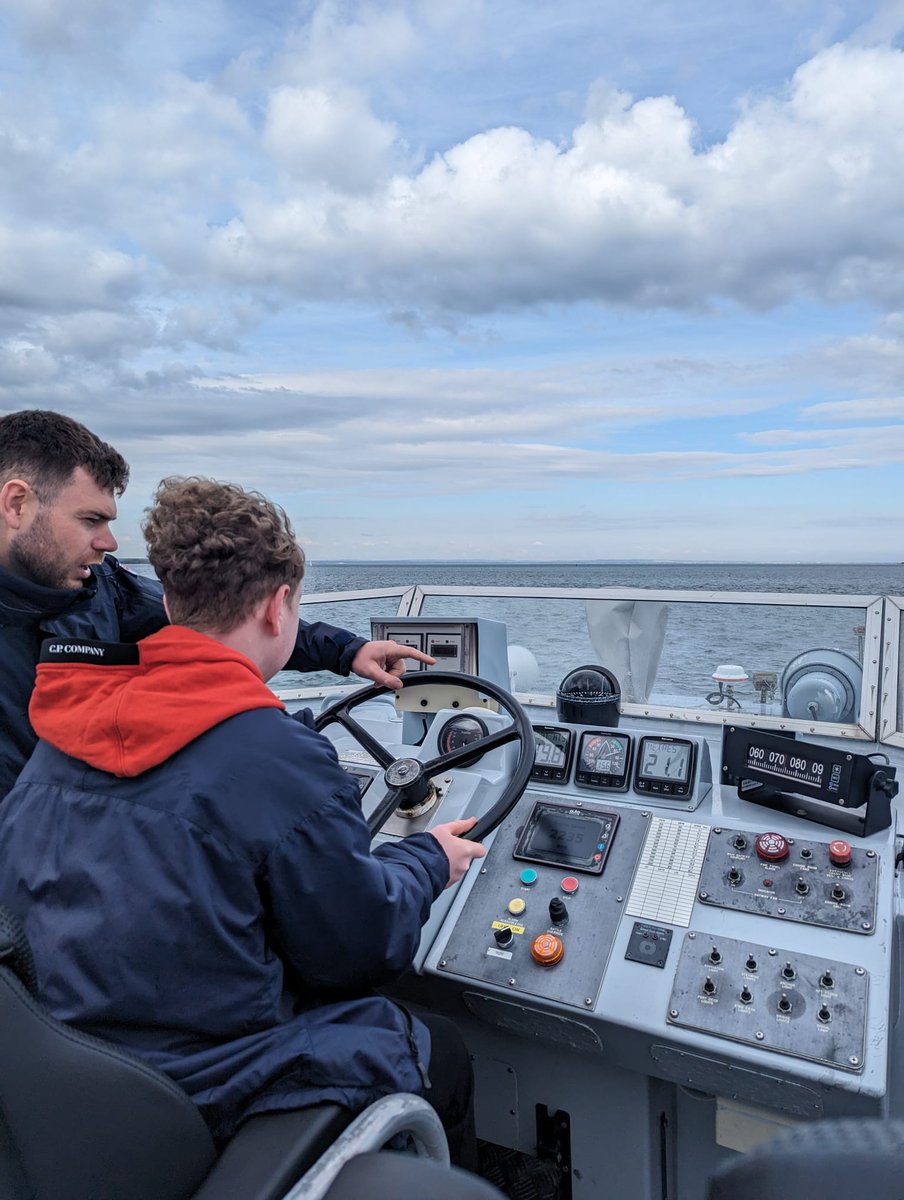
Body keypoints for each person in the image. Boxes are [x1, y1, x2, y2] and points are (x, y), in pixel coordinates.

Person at [0, 475, 486, 1163]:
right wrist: (428, 859)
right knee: (443, 1051)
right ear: (279, 606)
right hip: (204, 1080)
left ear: (170, 603)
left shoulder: (62, 729)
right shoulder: (276, 757)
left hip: (62, 1065)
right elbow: (358, 952)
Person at [0, 409, 433, 800]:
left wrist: (349, 651)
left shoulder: (99, 587)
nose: (109, 543)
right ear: (17, 504)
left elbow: (226, 618)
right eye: (90, 520)